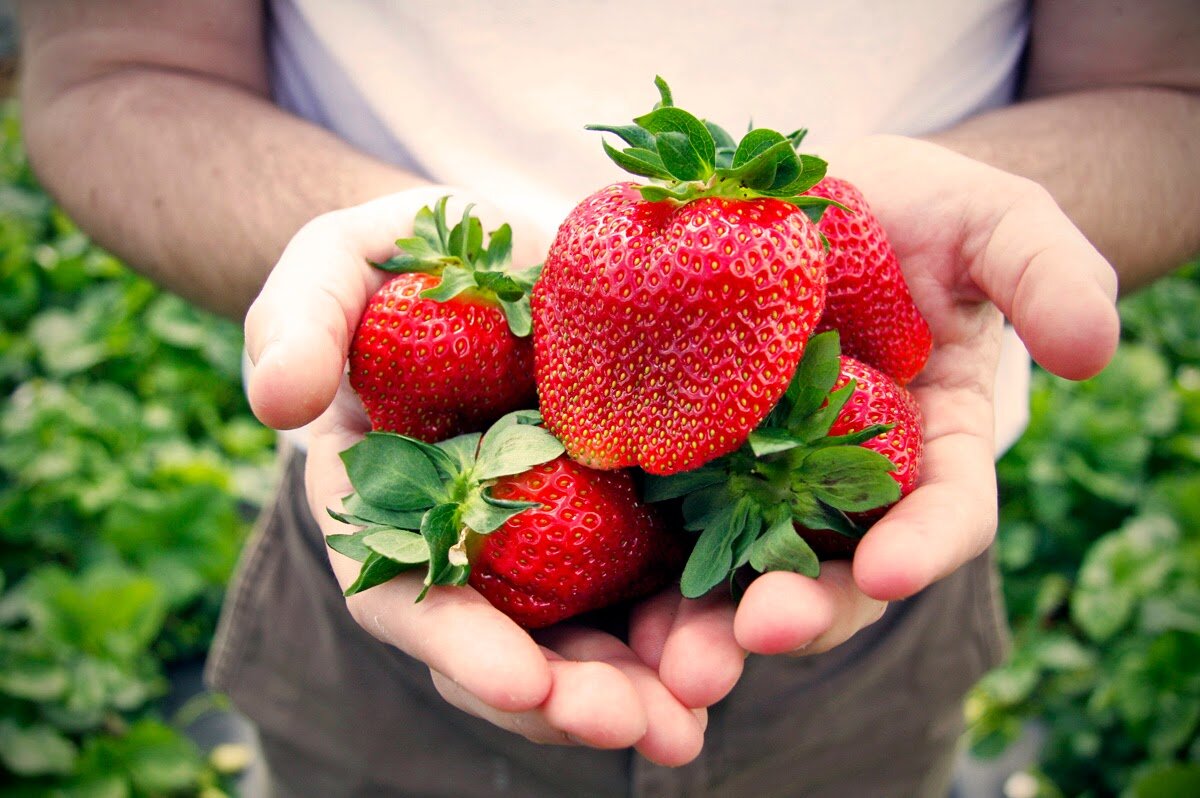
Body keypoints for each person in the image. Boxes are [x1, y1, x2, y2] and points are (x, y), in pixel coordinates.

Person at [15, 1, 1200, 795]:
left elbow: (1166, 85)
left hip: (870, 551)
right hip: (394, 553)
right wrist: (408, 280)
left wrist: (956, 222)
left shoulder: (795, 261)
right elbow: (121, 65)